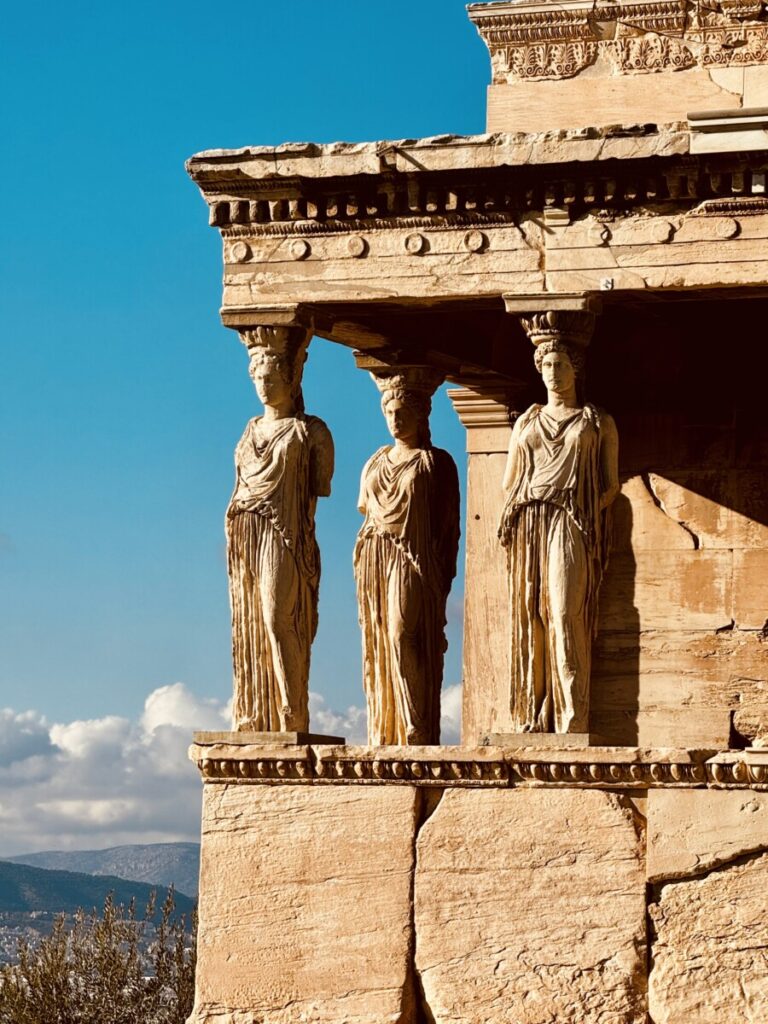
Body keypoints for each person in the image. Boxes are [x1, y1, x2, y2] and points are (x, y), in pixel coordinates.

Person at [498, 341, 619, 733]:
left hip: (572, 519)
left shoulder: (596, 421)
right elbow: (509, 481)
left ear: (575, 367)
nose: (553, 372)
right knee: (531, 613)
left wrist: (581, 505)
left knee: (564, 611)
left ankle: (571, 717)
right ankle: (534, 715)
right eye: (547, 364)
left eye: (560, 363)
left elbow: (610, 485)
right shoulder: (527, 421)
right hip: (529, 517)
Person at [226, 335, 334, 732]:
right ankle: (259, 713)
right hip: (245, 527)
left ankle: (293, 710)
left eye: (271, 378)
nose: (263, 386)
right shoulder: (249, 430)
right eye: (258, 378)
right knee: (251, 620)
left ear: (291, 378)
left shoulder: (311, 432)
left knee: (276, 616)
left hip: (285, 531)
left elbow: (319, 487)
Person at [355, 372, 460, 745]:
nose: (395, 419)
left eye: (402, 412)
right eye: (389, 412)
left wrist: (442, 574)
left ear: (420, 415)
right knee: (382, 636)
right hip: (375, 554)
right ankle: (392, 726)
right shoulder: (375, 462)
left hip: (414, 559)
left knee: (402, 633)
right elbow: (365, 508)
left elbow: (448, 525)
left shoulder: (435, 463)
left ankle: (418, 723)